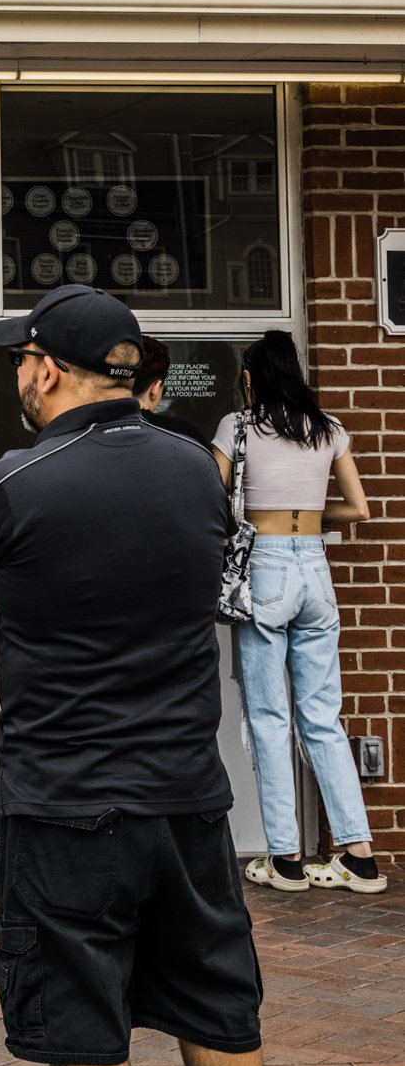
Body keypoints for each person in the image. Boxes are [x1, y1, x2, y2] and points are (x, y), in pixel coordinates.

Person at [0, 283, 301, 1066]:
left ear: (48, 368)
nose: (18, 371)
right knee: (219, 996)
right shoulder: (196, 465)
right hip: (187, 788)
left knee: (86, 1008)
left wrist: (21, 578)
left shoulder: (12, 479)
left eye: (22, 357)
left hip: (63, 794)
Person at [212, 330, 385, 897]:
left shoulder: (238, 427)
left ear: (251, 376)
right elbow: (357, 508)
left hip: (263, 569)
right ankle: (359, 857)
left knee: (268, 718)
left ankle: (286, 859)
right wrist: (306, 512)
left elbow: (214, 504)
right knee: (322, 718)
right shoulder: (328, 429)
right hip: (315, 568)